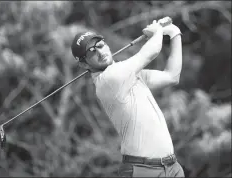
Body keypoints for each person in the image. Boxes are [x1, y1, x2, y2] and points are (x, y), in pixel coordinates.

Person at [71, 18, 185, 177]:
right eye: (91, 52)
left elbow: (172, 76)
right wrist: (158, 30)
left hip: (172, 167)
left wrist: (175, 34)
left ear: (107, 45)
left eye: (100, 45)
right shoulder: (108, 80)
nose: (99, 52)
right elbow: (150, 52)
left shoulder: (128, 74)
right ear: (84, 64)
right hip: (142, 170)